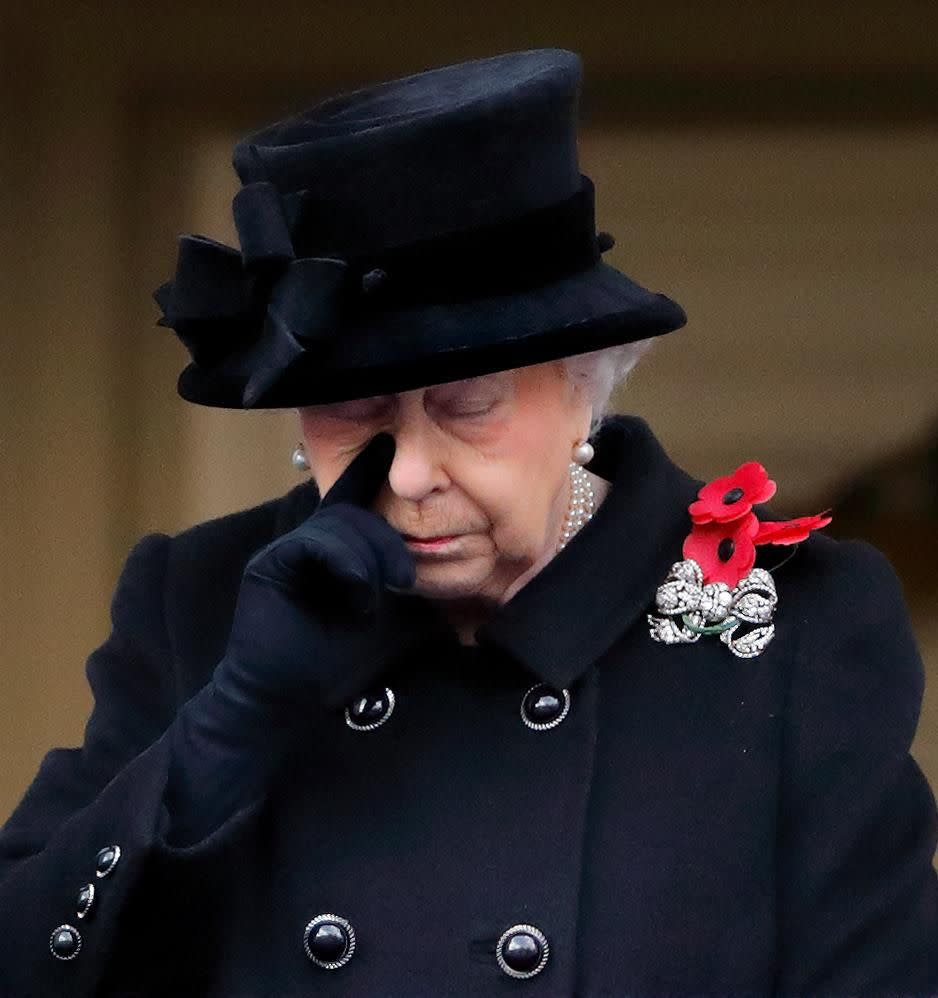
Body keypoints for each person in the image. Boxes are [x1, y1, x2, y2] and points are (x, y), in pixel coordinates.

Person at [1, 48, 935, 997]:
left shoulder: (798, 626)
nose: (408, 475)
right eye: (357, 411)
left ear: (585, 391)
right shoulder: (195, 600)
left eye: (466, 404)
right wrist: (229, 721)